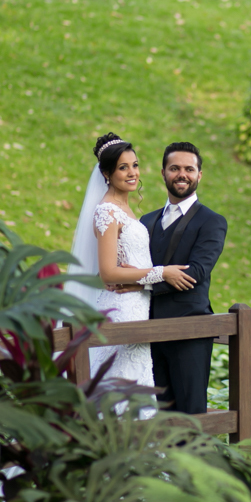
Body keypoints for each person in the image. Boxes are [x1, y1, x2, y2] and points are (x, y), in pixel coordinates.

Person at [66, 133, 195, 394]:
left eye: (134, 165)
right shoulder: (107, 211)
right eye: (122, 167)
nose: (132, 172)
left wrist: (144, 281)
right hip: (119, 308)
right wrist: (162, 273)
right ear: (106, 174)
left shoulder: (127, 210)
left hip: (137, 306)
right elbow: (108, 273)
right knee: (119, 384)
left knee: (136, 384)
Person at [139, 142, 227, 415]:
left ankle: (194, 461)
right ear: (163, 172)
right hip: (147, 331)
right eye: (174, 168)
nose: (182, 174)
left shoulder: (212, 221)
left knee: (191, 414)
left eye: (189, 169)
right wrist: (162, 275)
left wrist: (143, 280)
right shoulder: (146, 221)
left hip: (190, 330)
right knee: (159, 414)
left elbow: (196, 273)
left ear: (199, 175)